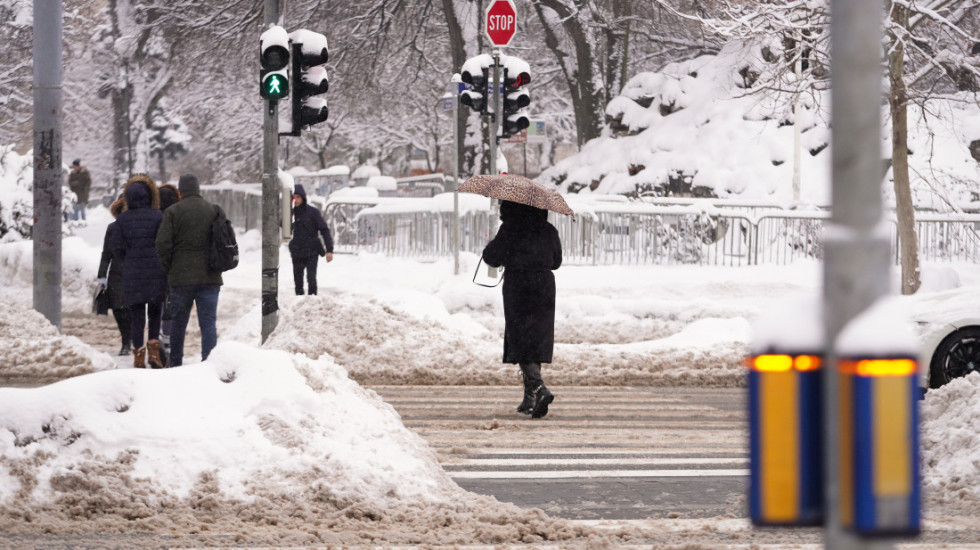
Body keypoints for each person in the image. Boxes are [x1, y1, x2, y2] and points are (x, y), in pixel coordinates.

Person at [482, 200, 563, 419]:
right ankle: (530, 399)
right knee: (536, 337)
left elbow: (491, 257)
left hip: (518, 284)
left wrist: (497, 244)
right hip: (544, 285)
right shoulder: (548, 230)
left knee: (520, 338)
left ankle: (538, 388)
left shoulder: (511, 228)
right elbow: (556, 262)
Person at [155, 174, 222, 367]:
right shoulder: (214, 210)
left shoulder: (173, 212)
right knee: (208, 324)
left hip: (181, 278)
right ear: (198, 189)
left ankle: (176, 362)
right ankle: (208, 363)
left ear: (180, 191)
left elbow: (162, 244)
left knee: (178, 323)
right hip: (210, 277)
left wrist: (170, 267)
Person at [111, 174, 168, 368]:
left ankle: (138, 356)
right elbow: (164, 243)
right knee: (154, 312)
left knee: (137, 315)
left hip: (133, 274)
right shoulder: (158, 216)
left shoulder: (123, 219)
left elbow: (116, 248)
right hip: (155, 273)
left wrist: (129, 258)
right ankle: (154, 353)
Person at [97, 197, 132, 356]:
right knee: (118, 309)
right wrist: (102, 275)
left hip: (134, 271)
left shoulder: (138, 227)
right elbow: (106, 254)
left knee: (130, 309)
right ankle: (126, 341)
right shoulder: (112, 228)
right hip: (116, 273)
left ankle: (129, 341)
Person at [288, 184, 333, 295]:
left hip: (311, 251)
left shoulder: (312, 212)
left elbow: (324, 230)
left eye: (299, 197)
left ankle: (312, 302)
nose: (296, 200)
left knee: (311, 279)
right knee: (298, 281)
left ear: (303, 197)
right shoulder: (290, 213)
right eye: (294, 197)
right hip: (296, 251)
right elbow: (281, 226)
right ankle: (299, 303)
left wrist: (329, 250)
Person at [156, 183, 180, 364]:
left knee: (158, 306)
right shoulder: (178, 216)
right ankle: (170, 341)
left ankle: (158, 339)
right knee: (172, 306)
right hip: (176, 268)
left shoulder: (155, 217)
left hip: (156, 268)